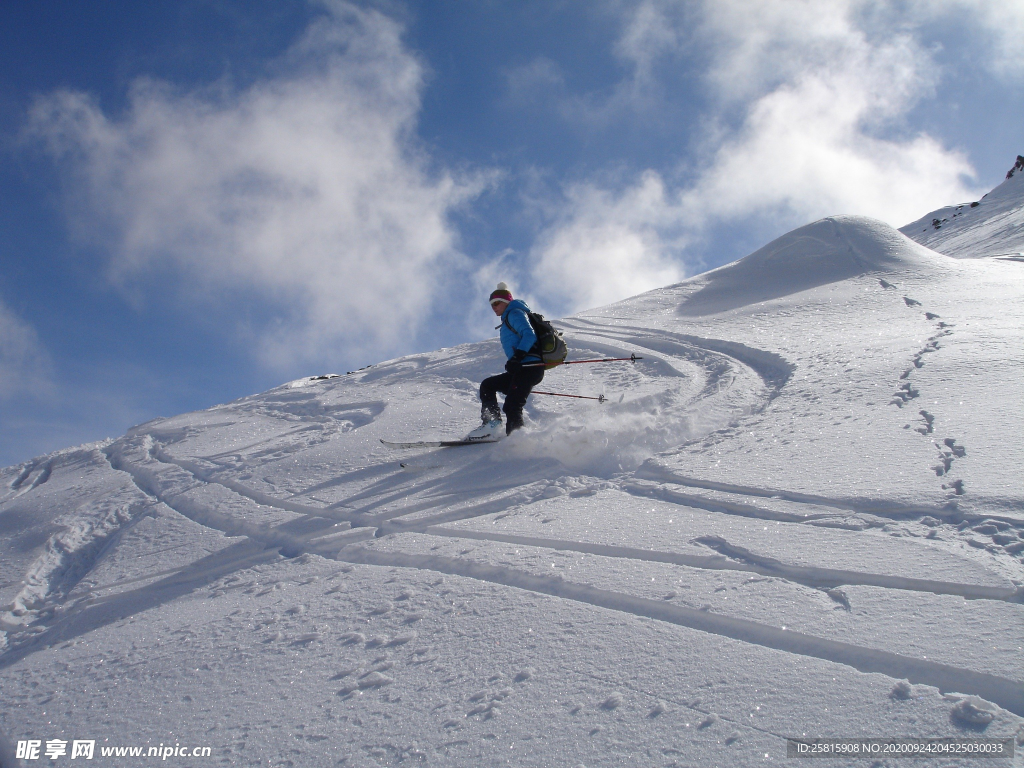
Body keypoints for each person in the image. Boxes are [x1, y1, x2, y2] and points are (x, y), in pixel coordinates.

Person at [471, 282, 545, 438]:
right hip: (522, 368)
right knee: (488, 386)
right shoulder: (508, 318)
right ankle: (492, 425)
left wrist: (518, 357)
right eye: (491, 304)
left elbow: (529, 334)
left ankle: (517, 441)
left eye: (497, 303)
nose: (494, 307)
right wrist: (515, 361)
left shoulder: (515, 313)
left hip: (529, 367)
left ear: (506, 302)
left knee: (512, 405)